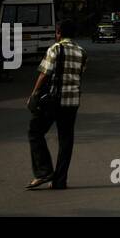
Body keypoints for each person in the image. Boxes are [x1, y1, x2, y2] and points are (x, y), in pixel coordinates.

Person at [26, 18, 87, 190]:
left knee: (35, 131)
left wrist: (34, 94)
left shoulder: (55, 48)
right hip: (73, 102)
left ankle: (44, 171)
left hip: (54, 101)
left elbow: (44, 73)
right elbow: (79, 74)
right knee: (66, 140)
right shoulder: (82, 52)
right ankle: (59, 181)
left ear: (58, 32)